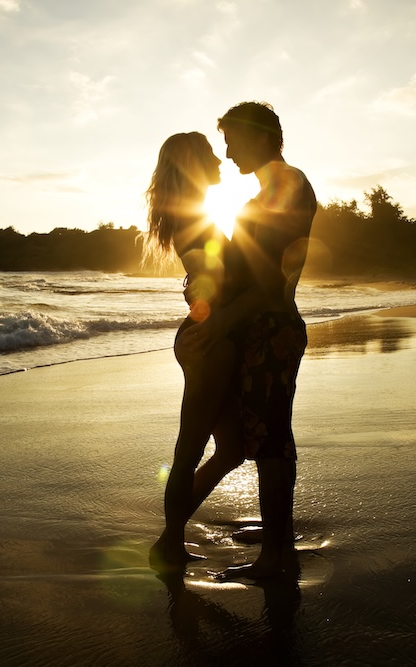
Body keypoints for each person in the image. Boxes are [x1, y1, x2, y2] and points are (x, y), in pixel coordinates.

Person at [181, 102, 316, 578]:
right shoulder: (267, 192)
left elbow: (269, 281)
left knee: (273, 441)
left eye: (231, 140)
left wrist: (220, 322)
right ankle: (279, 545)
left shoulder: (286, 184)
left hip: (272, 327)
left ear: (258, 136)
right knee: (270, 439)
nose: (227, 151)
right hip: (264, 327)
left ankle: (277, 558)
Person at [145, 132, 247, 572]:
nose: (219, 160)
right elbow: (210, 281)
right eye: (208, 154)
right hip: (209, 342)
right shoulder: (192, 218)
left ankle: (169, 537)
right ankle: (169, 544)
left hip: (212, 339)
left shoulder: (196, 214)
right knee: (191, 448)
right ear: (191, 164)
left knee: (232, 449)